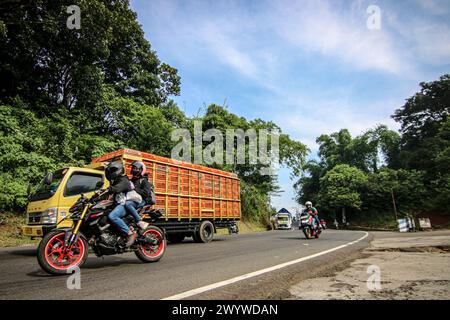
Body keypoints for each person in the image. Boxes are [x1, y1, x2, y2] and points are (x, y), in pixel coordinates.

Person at [105, 162, 136, 247]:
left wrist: (109, 189)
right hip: (119, 204)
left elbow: (117, 189)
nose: (109, 173)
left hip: (125, 204)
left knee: (112, 216)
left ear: (118, 170)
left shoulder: (124, 180)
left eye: (111, 171)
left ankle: (129, 233)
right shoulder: (115, 181)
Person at [123, 161, 152, 230]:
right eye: (133, 168)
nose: (133, 169)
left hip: (143, 200)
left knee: (128, 204)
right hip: (134, 199)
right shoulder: (132, 180)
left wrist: (135, 189)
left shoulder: (144, 181)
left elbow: (146, 193)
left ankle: (139, 221)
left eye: (136, 168)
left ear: (141, 170)